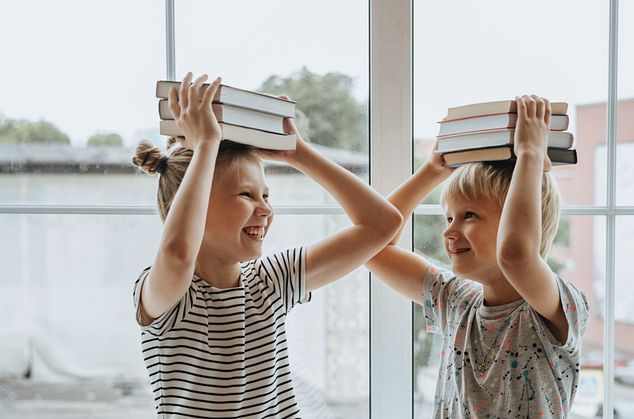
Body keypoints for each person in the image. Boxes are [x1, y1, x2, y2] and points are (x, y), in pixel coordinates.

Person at [130, 72, 402, 418]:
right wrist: (206, 144)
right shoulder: (170, 297)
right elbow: (178, 253)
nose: (266, 209)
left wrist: (298, 153)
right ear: (194, 204)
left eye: (266, 196)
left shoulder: (271, 281)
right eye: (247, 194)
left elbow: (383, 225)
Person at [366, 95, 590, 417]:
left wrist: (530, 155)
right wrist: (430, 172)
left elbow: (516, 256)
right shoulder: (455, 299)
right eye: (448, 218)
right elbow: (371, 246)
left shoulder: (556, 305)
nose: (449, 231)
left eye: (469, 215)